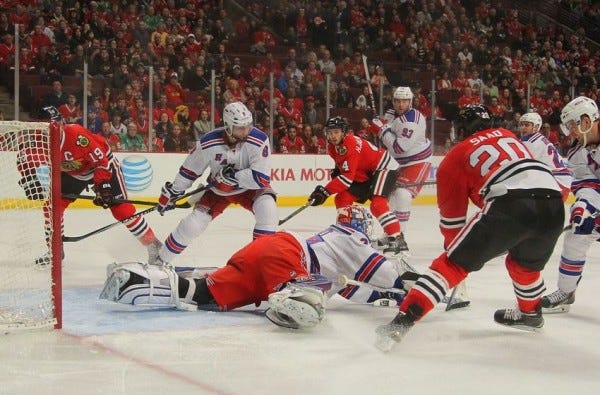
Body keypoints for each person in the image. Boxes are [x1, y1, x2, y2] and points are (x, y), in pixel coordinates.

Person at [375, 104, 564, 350]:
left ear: (462, 129)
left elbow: (452, 224)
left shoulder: (454, 157)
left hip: (511, 203)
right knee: (523, 266)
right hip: (555, 205)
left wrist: (458, 258)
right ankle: (531, 314)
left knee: (450, 264)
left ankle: (400, 324)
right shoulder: (508, 135)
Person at [100, 206, 418, 329]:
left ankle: (135, 278)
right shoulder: (355, 241)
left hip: (268, 250)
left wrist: (383, 298)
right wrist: (425, 289)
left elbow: (353, 290)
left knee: (200, 293)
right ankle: (286, 295)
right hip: (288, 260)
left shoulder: (333, 241)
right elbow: (392, 277)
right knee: (311, 306)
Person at [17, 106, 162, 265]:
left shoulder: (77, 136)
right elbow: (24, 160)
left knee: (122, 211)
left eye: (58, 124)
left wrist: (103, 187)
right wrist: (30, 179)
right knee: (52, 207)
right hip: (74, 172)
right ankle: (55, 251)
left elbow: (101, 161)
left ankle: (154, 246)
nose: (55, 129)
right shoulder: (35, 141)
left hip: (101, 165)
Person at [150, 101, 277, 265]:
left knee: (268, 210)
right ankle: (160, 262)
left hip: (249, 189)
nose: (246, 131)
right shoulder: (208, 142)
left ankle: (261, 263)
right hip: (218, 191)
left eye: (248, 125)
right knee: (192, 225)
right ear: (228, 125)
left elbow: (261, 178)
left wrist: (235, 177)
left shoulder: (259, 139)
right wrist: (173, 192)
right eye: (240, 127)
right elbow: (190, 171)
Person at [308, 116, 406, 255]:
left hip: (384, 167)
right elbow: (347, 168)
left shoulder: (350, 145)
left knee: (378, 205)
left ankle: (397, 239)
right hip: (365, 173)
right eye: (330, 132)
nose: (333, 135)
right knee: (342, 198)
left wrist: (325, 191)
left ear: (343, 132)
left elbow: (347, 179)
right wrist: (338, 170)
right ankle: (347, 236)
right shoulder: (332, 147)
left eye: (336, 132)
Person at [541, 96, 600, 313]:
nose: (570, 132)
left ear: (586, 121)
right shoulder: (577, 152)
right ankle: (566, 292)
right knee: (577, 235)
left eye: (572, 126)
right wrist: (583, 206)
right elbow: (587, 182)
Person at [372, 86, 432, 251]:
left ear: (410, 102)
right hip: (398, 164)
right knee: (389, 197)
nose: (400, 104)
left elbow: (399, 148)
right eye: (398, 100)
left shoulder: (412, 121)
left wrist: (382, 130)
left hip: (417, 162)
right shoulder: (393, 114)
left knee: (402, 194)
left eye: (404, 101)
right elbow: (389, 128)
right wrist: (382, 124)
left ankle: (400, 238)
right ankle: (390, 234)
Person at [517, 112, 571, 200]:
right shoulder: (538, 138)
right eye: (521, 125)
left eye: (527, 125)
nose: (523, 127)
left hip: (556, 183)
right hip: (560, 181)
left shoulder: (529, 142)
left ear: (536, 127)